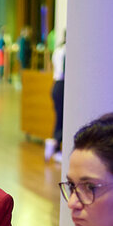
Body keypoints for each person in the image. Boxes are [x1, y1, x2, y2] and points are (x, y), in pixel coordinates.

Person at [45, 30, 66, 163]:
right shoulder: (66, 51)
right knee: (61, 119)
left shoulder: (58, 50)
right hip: (62, 84)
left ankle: (54, 145)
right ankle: (56, 147)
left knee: (59, 118)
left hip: (56, 85)